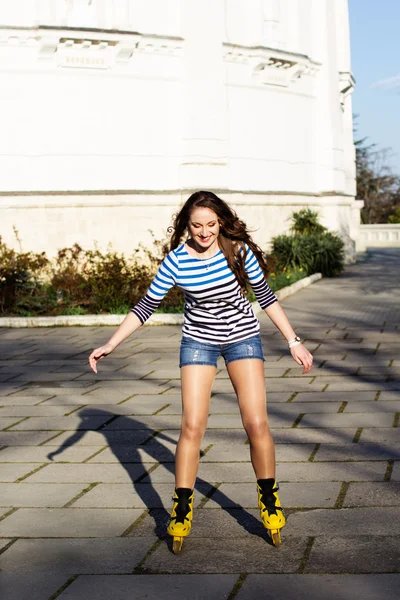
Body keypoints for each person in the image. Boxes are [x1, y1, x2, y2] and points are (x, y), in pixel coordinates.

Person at [88, 191, 313, 552]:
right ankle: (181, 507)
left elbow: (266, 297)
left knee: (256, 422)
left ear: (220, 222)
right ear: (186, 226)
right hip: (198, 341)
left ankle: (269, 499)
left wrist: (293, 341)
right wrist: (112, 343)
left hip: (242, 338)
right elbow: (146, 306)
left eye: (211, 224)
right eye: (197, 226)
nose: (205, 232)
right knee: (192, 425)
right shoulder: (176, 261)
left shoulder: (237, 251)